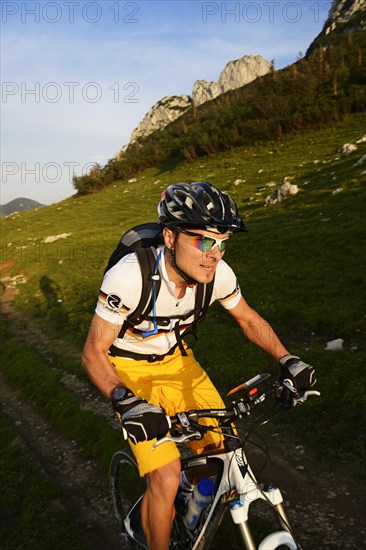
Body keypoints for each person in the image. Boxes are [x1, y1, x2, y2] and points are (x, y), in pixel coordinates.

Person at [82, 181, 316, 550]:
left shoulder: (217, 275)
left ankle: (192, 502)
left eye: (223, 243)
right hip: (128, 369)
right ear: (171, 238)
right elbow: (93, 351)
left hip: (179, 364)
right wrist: (126, 401)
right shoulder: (129, 277)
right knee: (165, 474)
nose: (215, 254)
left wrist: (288, 359)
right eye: (204, 241)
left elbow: (249, 319)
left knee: (223, 452)